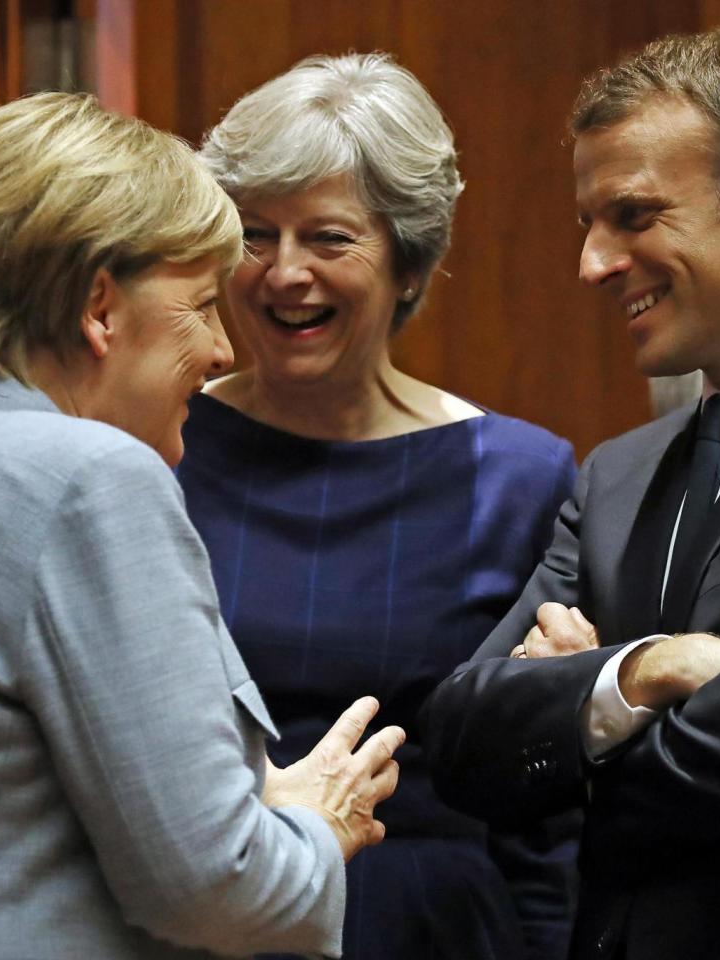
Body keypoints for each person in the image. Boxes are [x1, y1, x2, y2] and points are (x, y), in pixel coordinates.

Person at [0, 91, 406, 960]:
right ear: (100, 308)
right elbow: (214, 890)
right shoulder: (86, 480)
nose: (223, 350)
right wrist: (315, 831)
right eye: (202, 304)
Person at [422, 29, 720, 960]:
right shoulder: (620, 471)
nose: (591, 264)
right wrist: (644, 671)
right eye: (590, 224)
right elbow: (461, 738)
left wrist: (578, 715)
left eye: (631, 215)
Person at [177, 53, 579, 960]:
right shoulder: (156, 446)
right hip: (201, 916)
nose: (284, 274)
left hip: (433, 925)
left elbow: (544, 798)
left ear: (408, 263)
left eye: (328, 238)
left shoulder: (519, 474)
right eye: (255, 235)